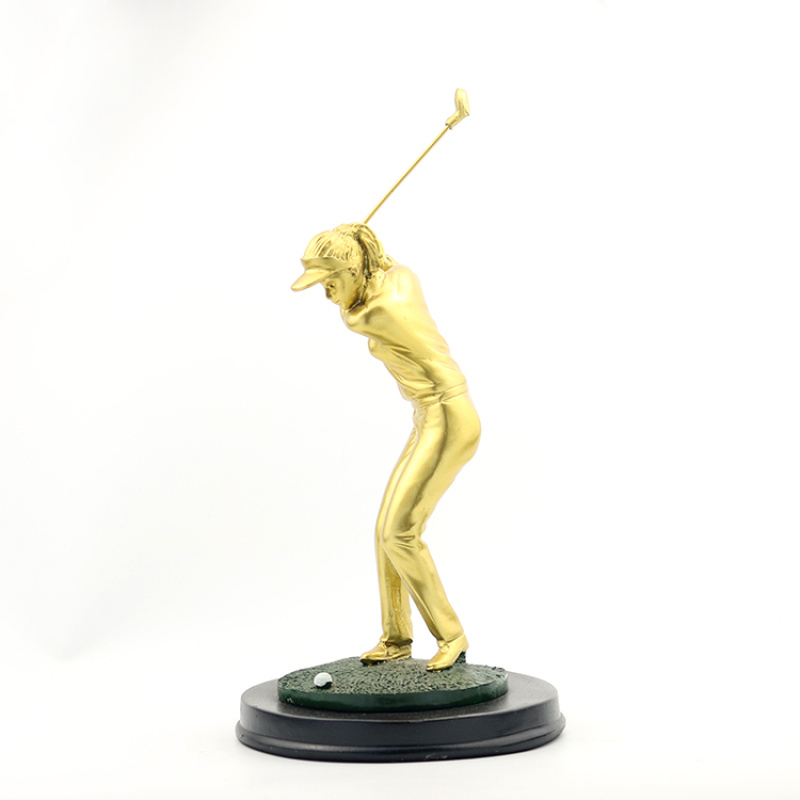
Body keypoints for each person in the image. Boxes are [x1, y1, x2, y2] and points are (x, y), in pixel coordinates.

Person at [291, 223, 481, 671]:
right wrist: (360, 247)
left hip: (448, 417)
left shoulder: (373, 314)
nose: (328, 296)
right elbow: (390, 266)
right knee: (385, 532)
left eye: (330, 283)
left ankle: (451, 636)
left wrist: (357, 246)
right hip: (429, 415)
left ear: (353, 272)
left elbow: (353, 315)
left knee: (400, 533)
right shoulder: (402, 278)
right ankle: (396, 637)